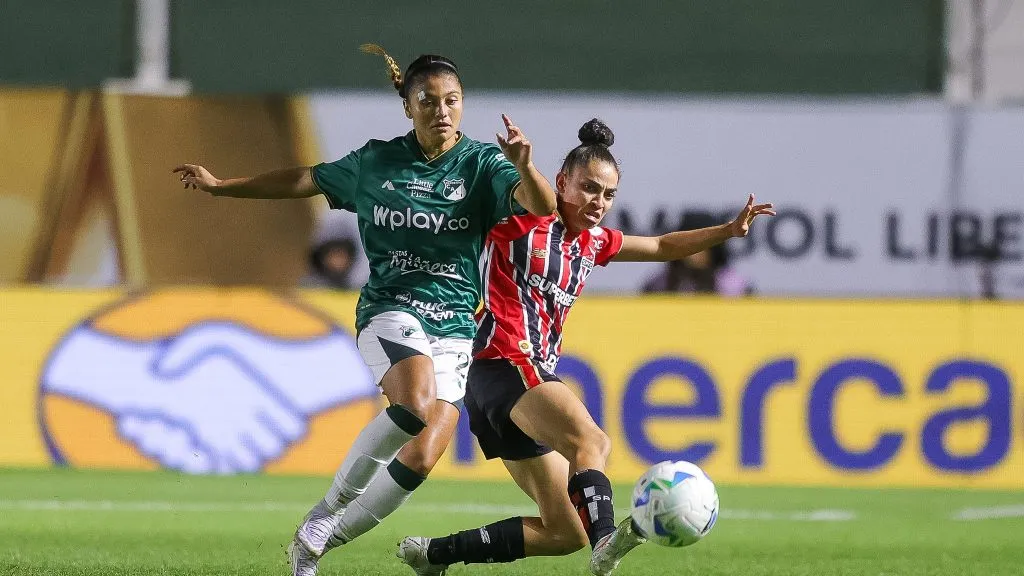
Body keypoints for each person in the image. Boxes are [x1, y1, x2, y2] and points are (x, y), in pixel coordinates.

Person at [173, 43, 557, 576]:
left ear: (462, 105)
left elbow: (542, 206)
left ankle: (313, 548)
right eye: (428, 101)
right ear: (408, 107)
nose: (441, 111)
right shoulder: (375, 163)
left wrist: (527, 165)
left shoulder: (483, 165)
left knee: (422, 456)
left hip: (455, 324)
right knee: (416, 403)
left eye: (452, 101)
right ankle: (325, 511)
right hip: (391, 310)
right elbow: (302, 180)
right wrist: (223, 187)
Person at [397, 119, 774, 576]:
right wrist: (524, 163)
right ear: (563, 183)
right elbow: (532, 193)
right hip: (506, 359)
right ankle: (607, 545)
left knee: (563, 531)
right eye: (590, 189)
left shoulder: (592, 242)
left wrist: (727, 231)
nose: (599, 203)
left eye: (609, 195)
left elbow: (660, 244)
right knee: (591, 442)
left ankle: (433, 555)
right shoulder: (525, 218)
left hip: (497, 382)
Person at [641, 211, 752, 295]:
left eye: (703, 246)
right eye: (691, 245)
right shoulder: (658, 285)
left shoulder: (734, 286)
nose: (696, 252)